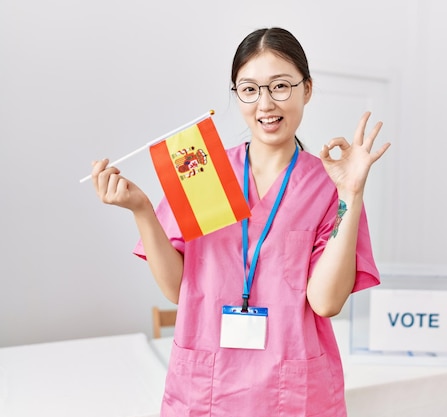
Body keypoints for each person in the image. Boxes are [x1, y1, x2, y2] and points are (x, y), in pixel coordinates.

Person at [91, 27, 390, 417]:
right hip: (206, 389)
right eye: (249, 89)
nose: (265, 103)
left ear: (307, 89)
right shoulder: (203, 172)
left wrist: (350, 193)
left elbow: (326, 301)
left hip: (294, 393)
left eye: (280, 86)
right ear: (237, 95)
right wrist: (142, 210)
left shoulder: (330, 185)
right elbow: (177, 289)